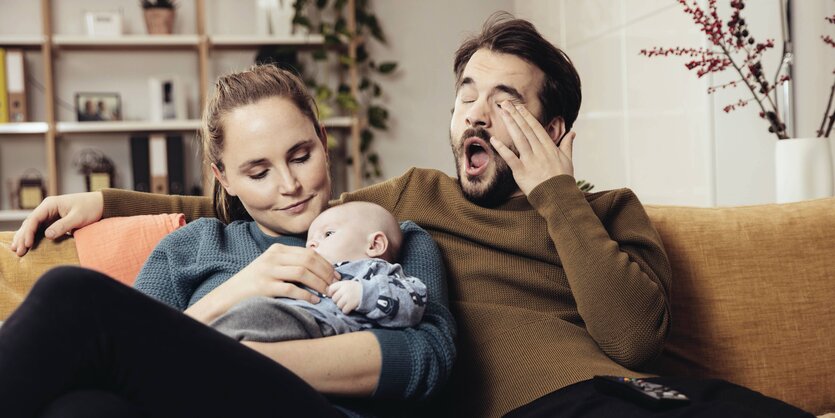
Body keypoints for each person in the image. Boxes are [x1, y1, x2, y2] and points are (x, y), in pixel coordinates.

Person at [10, 12, 814, 418]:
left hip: (620, 394)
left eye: (504, 103)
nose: (475, 113)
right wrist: (108, 203)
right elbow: (267, 206)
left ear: (554, 128)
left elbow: (633, 337)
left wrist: (554, 194)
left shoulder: (603, 212)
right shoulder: (407, 197)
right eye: (467, 94)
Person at [0, 64, 454, 418]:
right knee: (81, 411)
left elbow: (425, 360)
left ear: (323, 142)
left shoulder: (389, 237)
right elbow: (126, 353)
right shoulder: (190, 249)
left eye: (301, 156)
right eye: (258, 172)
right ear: (224, 178)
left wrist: (240, 358)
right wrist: (237, 290)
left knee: (72, 294)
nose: (289, 184)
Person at [193, 201, 428, 342]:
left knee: (248, 318)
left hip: (323, 323)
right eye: (310, 240)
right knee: (243, 319)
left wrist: (362, 293)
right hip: (290, 318)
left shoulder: (376, 271)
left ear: (374, 245)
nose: (312, 245)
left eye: (327, 235)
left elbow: (414, 302)